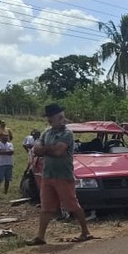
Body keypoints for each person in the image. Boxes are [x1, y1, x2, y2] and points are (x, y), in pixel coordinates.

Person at [27, 103, 93, 244]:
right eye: (49, 117)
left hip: (63, 175)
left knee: (72, 205)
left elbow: (59, 151)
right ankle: (40, 236)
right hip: (48, 175)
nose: (50, 119)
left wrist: (45, 149)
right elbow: (36, 150)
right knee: (46, 207)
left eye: (52, 116)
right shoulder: (47, 132)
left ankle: (85, 231)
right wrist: (48, 149)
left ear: (60, 117)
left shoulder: (67, 133)